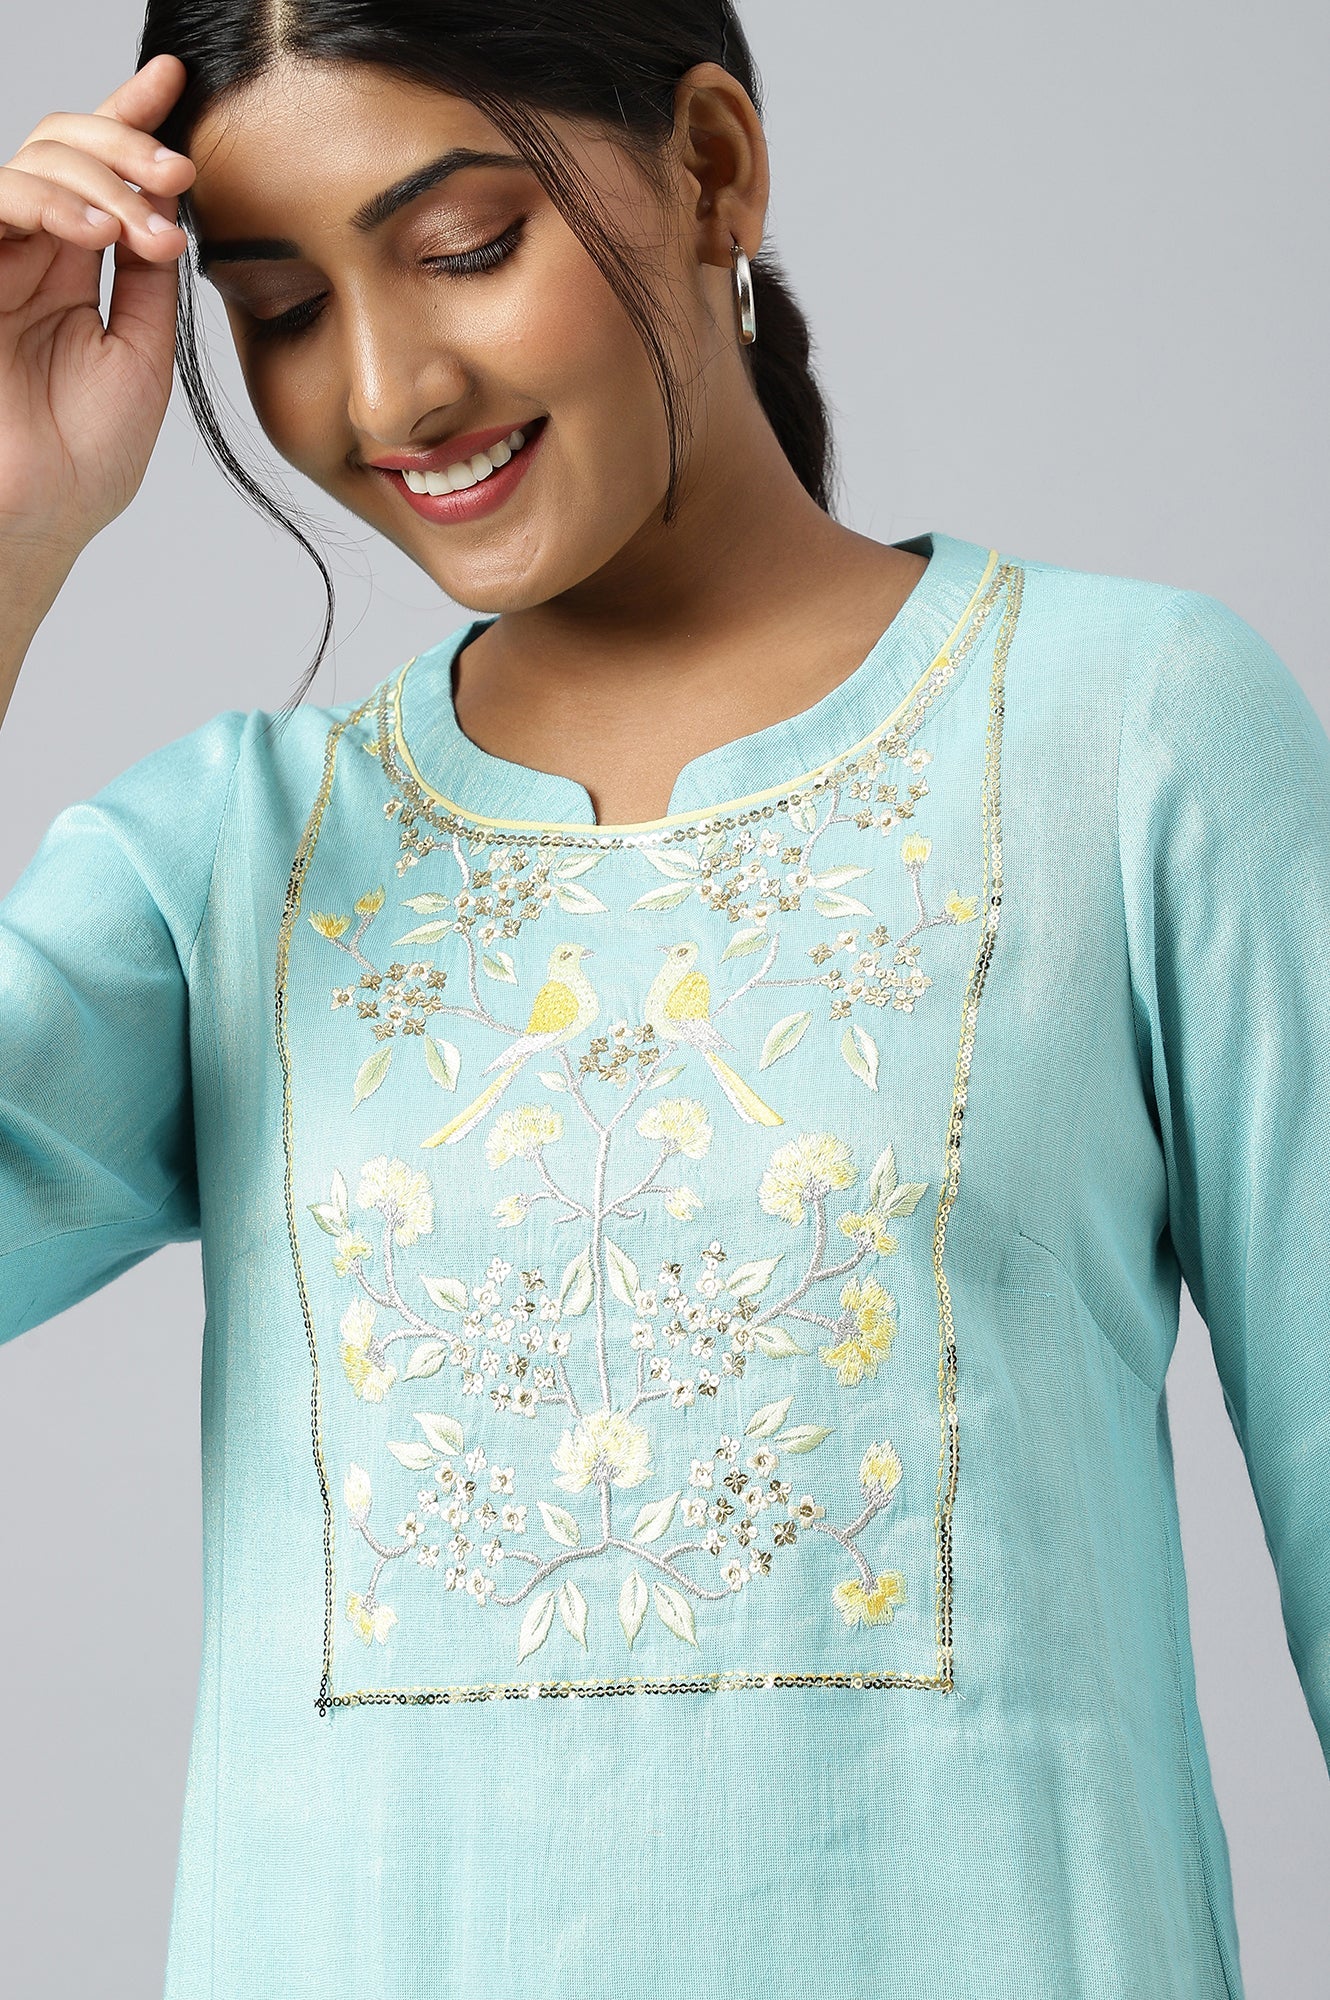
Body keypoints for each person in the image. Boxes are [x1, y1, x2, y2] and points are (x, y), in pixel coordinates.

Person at [0, 7, 1325, 1997]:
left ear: (712, 168)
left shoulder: (1121, 733)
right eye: (278, 311)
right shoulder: (228, 859)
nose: (388, 387)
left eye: (464, 248)